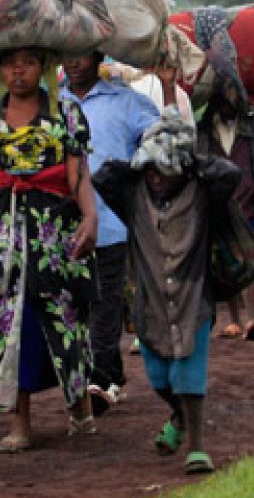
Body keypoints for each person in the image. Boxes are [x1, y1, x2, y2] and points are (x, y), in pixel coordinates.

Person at [0, 46, 98, 452]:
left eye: (28, 61)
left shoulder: (66, 115)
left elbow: (78, 177)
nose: (17, 70)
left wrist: (90, 219)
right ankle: (19, 424)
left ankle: (79, 404)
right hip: (0, 233)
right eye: (9, 62)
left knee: (64, 317)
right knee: (11, 323)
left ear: (43, 65)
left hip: (54, 230)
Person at [94, 111, 239, 476]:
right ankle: (178, 416)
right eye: (151, 170)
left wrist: (190, 159)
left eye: (165, 170)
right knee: (159, 378)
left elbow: (229, 175)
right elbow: (103, 176)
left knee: (189, 377)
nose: (157, 178)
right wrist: (140, 161)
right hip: (151, 303)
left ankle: (197, 447)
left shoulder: (203, 194)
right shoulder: (131, 194)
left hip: (194, 300)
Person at [59, 47, 158, 412]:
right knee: (75, 307)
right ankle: (110, 375)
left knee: (106, 303)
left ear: (97, 57)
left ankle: (99, 380)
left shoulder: (127, 102)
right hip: (63, 227)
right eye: (68, 56)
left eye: (81, 55)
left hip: (112, 224)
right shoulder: (52, 105)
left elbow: (157, 141)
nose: (73, 61)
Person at [197, 85, 254, 341]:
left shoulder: (251, 131)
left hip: (246, 205)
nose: (232, 106)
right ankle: (234, 321)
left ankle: (251, 319)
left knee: (248, 260)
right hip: (216, 204)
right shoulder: (204, 132)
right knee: (223, 263)